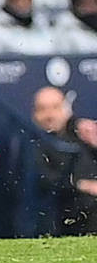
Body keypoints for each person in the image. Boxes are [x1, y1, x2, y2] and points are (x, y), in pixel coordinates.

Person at [31, 86, 97, 235]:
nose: (50, 115)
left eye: (56, 107)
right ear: (34, 113)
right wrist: (84, 185)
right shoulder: (32, 143)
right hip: (65, 213)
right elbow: (46, 181)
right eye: (42, 109)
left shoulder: (82, 135)